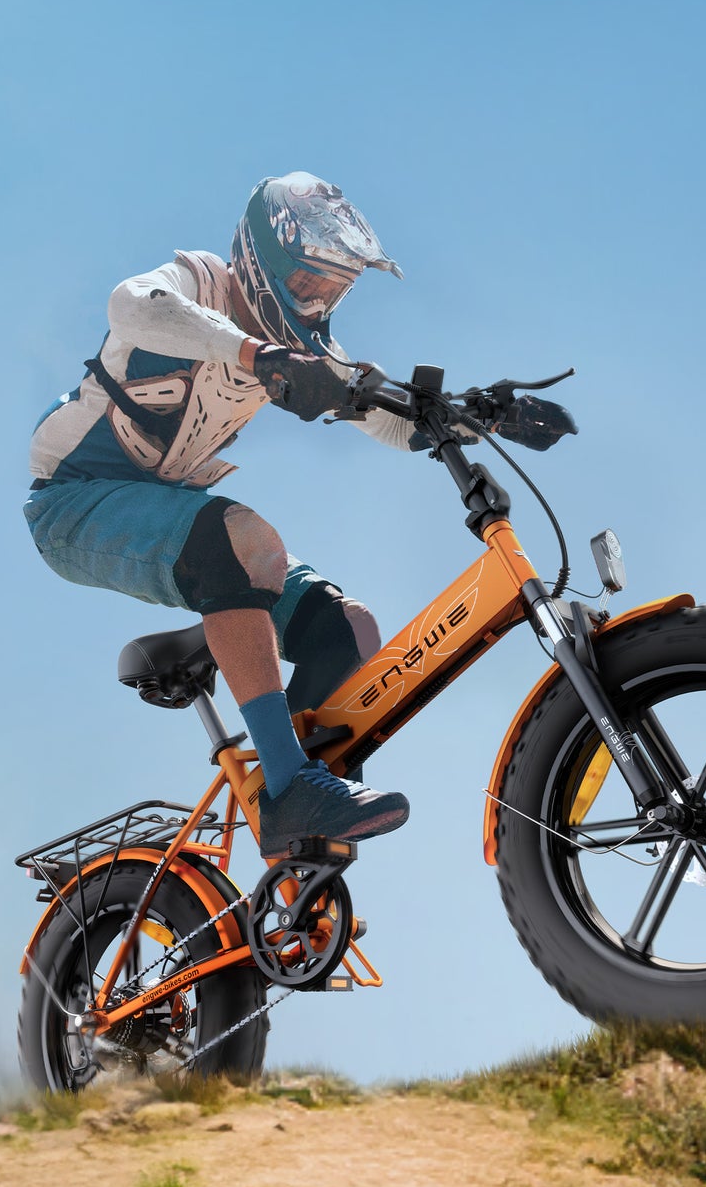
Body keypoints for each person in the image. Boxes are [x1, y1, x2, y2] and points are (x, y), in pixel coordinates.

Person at [24, 172, 419, 855]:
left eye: (333, 291)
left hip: (168, 505)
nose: (318, 303)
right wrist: (255, 353)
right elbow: (130, 304)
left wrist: (481, 416)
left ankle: (300, 825)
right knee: (247, 539)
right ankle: (289, 789)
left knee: (349, 629)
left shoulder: (304, 349)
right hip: (73, 501)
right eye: (308, 284)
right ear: (264, 260)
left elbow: (387, 421)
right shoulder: (199, 284)